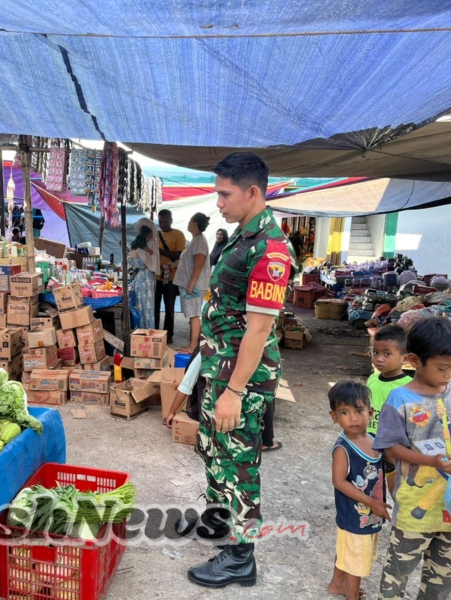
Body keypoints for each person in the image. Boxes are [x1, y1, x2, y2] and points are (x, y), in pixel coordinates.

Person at [182, 152, 295, 589]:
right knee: (215, 452)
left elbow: (260, 328)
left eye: (224, 194)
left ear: (252, 193)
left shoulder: (270, 248)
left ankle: (241, 557)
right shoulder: (242, 237)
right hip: (220, 366)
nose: (218, 203)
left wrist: (234, 391)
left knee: (239, 463)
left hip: (239, 378)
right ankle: (219, 524)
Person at [374, 317, 451, 599]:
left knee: (442, 577)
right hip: (415, 507)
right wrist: (432, 462)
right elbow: (390, 448)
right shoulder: (400, 399)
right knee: (397, 574)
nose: (450, 375)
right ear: (414, 360)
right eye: (442, 368)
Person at [327, 381, 391, 600]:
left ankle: (337, 584)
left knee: (349, 552)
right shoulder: (343, 448)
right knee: (356, 560)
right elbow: (339, 481)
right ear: (334, 416)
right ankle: (351, 596)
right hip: (354, 515)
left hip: (369, 514)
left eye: (359, 411)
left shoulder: (372, 440)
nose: (353, 418)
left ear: (370, 412)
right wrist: (372, 503)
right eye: (344, 412)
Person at [367, 324, 412, 495]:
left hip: (393, 451)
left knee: (398, 493)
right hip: (369, 443)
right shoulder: (372, 379)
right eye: (376, 352)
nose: (379, 358)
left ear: (405, 358)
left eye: (387, 354)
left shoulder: (407, 386)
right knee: (370, 490)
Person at [174, 213, 211, 354]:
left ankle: (193, 346)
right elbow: (190, 262)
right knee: (192, 315)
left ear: (195, 223)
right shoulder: (195, 240)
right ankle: (194, 344)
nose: (188, 223)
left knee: (194, 315)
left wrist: (191, 284)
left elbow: (199, 263)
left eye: (190, 220)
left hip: (195, 286)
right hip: (192, 284)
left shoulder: (200, 240)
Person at [154, 209, 186, 344]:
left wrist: (160, 251)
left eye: (166, 221)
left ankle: (168, 335)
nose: (163, 224)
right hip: (156, 278)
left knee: (169, 308)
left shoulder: (179, 234)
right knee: (154, 307)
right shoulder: (155, 235)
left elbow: (180, 255)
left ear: (171, 220)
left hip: (172, 279)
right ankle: (154, 332)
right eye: (160, 221)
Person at [128, 218, 160, 330]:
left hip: (144, 280)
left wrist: (130, 257)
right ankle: (144, 332)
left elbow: (141, 264)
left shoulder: (149, 245)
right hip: (144, 279)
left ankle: (145, 332)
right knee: (144, 308)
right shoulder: (146, 244)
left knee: (144, 309)